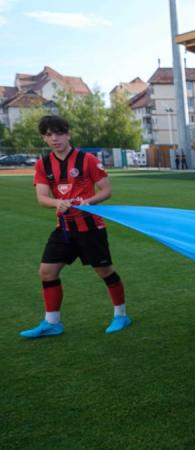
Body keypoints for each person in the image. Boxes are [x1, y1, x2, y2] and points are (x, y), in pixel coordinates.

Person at [21, 115, 131, 338]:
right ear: (44, 138)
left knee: (104, 271)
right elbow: (42, 198)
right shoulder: (43, 164)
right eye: (49, 134)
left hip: (91, 228)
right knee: (47, 272)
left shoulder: (87, 159)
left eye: (59, 133)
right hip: (64, 228)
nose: (54, 138)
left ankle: (121, 315)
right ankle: (52, 323)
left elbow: (106, 190)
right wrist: (57, 203)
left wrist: (88, 202)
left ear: (68, 134)